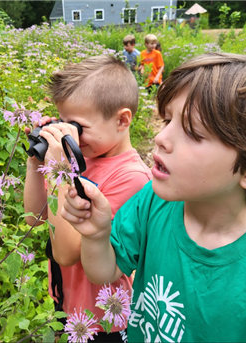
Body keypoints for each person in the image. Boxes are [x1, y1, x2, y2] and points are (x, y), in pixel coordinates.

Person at [61, 52, 246, 343]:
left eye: (192, 132)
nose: (161, 138)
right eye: (167, 121)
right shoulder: (153, 201)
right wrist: (97, 235)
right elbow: (105, 271)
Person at [24, 55, 152, 342]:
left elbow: (67, 254)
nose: (72, 138)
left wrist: (61, 168)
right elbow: (34, 218)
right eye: (63, 124)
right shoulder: (81, 160)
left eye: (77, 128)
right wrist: (38, 162)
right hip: (68, 305)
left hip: (105, 320)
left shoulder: (132, 178)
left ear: (122, 120)